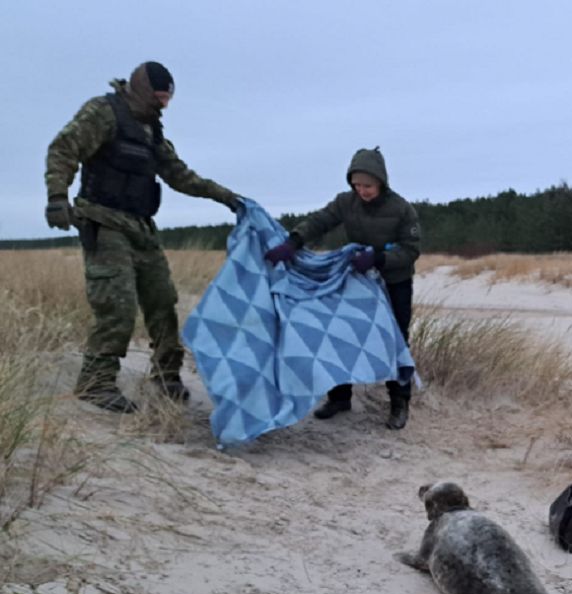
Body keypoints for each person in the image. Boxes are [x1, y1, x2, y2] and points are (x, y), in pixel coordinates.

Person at [45, 61, 241, 413]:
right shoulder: (103, 112)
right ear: (142, 89)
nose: (163, 106)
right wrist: (57, 198)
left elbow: (179, 174)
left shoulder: (152, 130)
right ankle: (96, 382)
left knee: (163, 302)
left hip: (141, 227)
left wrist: (226, 197)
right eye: (159, 98)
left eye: (167, 100)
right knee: (117, 305)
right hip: (103, 223)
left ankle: (166, 377)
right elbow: (63, 149)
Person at [264, 147, 421, 430]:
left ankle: (399, 403)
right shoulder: (345, 202)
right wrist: (294, 241)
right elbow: (319, 221)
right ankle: (339, 397)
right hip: (358, 278)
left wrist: (380, 258)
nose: (362, 191)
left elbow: (410, 250)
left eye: (368, 185)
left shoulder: (401, 209)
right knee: (341, 332)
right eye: (356, 185)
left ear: (381, 181)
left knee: (394, 338)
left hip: (394, 280)